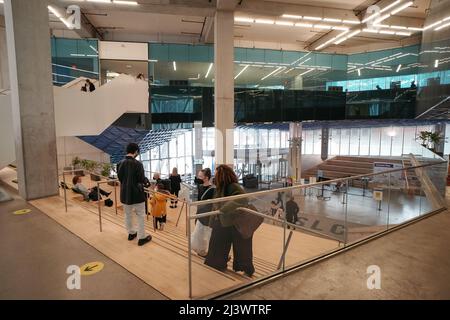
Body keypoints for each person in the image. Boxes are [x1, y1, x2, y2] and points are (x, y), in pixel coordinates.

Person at [205, 165, 255, 277]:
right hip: (222, 221)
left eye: (216, 173)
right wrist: (212, 221)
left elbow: (242, 198)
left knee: (241, 248)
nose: (215, 175)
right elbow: (216, 204)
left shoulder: (233, 186)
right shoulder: (220, 187)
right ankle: (217, 264)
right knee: (217, 244)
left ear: (222, 175)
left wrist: (223, 209)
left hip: (232, 222)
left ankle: (244, 268)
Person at [117, 143, 152, 246]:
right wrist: (146, 181)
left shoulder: (120, 163)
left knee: (128, 215)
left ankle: (131, 233)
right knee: (140, 216)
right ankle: (142, 237)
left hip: (125, 194)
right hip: (137, 194)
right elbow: (141, 179)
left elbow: (120, 178)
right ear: (136, 151)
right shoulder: (138, 164)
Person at [191, 168, 215, 257]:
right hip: (200, 212)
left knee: (207, 233)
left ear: (206, 178)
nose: (198, 178)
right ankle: (201, 250)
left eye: (200, 176)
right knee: (200, 232)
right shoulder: (200, 187)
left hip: (207, 214)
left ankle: (209, 251)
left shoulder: (212, 189)